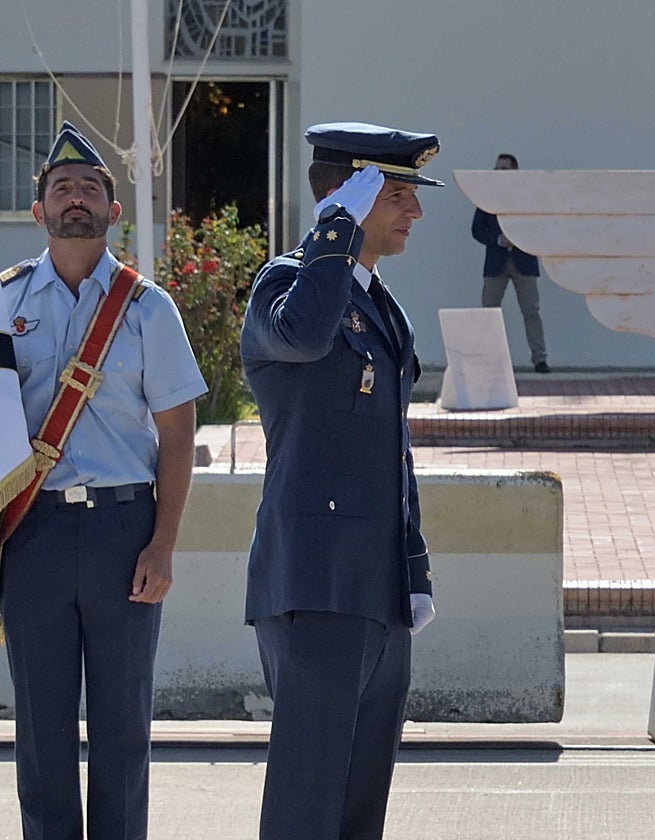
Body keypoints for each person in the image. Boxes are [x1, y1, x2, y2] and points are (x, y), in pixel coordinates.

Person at [0, 121, 206, 839]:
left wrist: (163, 543)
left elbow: (177, 435)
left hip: (124, 530)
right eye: (62, 188)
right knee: (41, 727)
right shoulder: (5, 302)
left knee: (123, 725)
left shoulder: (148, 308)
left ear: (113, 210)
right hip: (32, 532)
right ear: (39, 210)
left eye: (89, 187)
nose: (76, 198)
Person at [240, 121, 439, 840]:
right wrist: (333, 232)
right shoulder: (287, 284)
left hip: (377, 588)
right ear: (348, 196)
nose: (416, 210)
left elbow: (392, 452)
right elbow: (302, 337)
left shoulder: (380, 305)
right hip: (317, 582)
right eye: (398, 194)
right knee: (307, 803)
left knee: (359, 806)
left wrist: (412, 567)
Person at [471, 153, 551, 372]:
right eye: (496, 169)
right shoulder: (486, 198)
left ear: (515, 172)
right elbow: (477, 230)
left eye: (504, 169)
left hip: (524, 262)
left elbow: (538, 227)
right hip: (495, 263)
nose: (499, 173)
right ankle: (489, 360)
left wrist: (519, 239)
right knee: (489, 313)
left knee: (531, 312)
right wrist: (498, 240)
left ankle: (540, 359)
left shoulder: (527, 198)